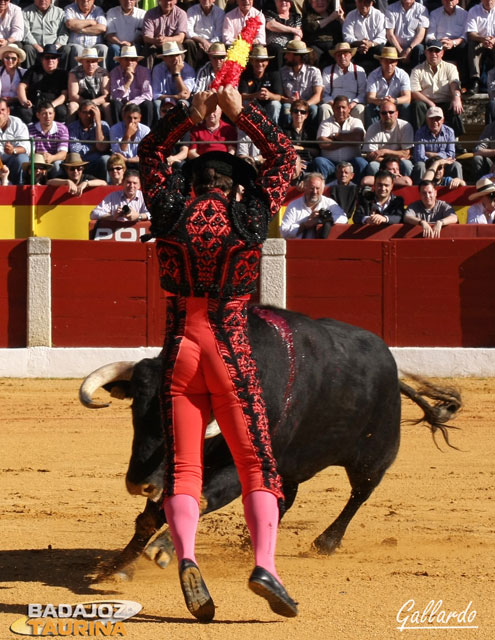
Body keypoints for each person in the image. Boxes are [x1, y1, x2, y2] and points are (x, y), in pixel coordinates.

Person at [137, 84, 298, 622]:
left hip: (180, 347)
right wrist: (242, 113)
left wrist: (190, 115)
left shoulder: (168, 210)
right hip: (231, 350)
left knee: (184, 469)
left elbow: (150, 152)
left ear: (193, 182)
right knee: (258, 467)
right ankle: (265, 564)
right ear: (236, 185)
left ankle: (187, 556)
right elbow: (285, 157)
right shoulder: (250, 215)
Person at [410, 39, 464, 135]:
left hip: (445, 102)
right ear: (426, 52)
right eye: (430, 51)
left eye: (437, 51)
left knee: (455, 105)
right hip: (426, 103)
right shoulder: (417, 70)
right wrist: (431, 103)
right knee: (417, 105)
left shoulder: (450, 67)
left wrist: (456, 97)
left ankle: (455, 142)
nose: (433, 54)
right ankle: (419, 137)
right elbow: (414, 92)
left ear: (442, 53)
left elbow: (454, 83)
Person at [314, 94, 367, 183]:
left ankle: (360, 191)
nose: (340, 110)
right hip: (331, 164)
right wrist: (348, 141)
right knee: (319, 161)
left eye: (343, 107)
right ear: (333, 109)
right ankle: (322, 191)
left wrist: (336, 136)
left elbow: (358, 138)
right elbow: (322, 143)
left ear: (349, 108)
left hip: (351, 164)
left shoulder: (356, 121)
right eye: (337, 108)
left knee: (361, 162)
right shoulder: (326, 123)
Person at [281, 171, 348, 237]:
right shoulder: (293, 206)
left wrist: (320, 220)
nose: (314, 192)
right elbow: (283, 231)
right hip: (299, 246)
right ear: (305, 187)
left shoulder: (329, 203)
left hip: (322, 246)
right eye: (312, 188)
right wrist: (305, 225)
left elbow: (343, 219)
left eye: (317, 188)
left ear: (323, 189)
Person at [17, 44, 69, 124]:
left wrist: (51, 105)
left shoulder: (63, 74)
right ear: (42, 59)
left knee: (61, 111)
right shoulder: (33, 70)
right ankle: (30, 134)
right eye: (47, 57)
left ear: (57, 60)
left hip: (53, 104)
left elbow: (64, 94)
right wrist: (24, 101)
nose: (50, 60)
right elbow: (22, 86)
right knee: (24, 111)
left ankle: (59, 133)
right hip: (34, 104)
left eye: (53, 57)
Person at [362, 99, 414, 177]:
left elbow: (406, 153)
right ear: (380, 114)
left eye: (391, 112)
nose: (387, 115)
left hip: (398, 161)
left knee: (407, 164)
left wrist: (385, 151)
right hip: (381, 161)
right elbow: (371, 155)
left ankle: (406, 186)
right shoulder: (372, 128)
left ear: (396, 114)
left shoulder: (405, 126)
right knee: (373, 166)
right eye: (384, 113)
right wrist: (389, 164)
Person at [412, 106, 463, 184]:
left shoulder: (449, 132)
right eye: (431, 119)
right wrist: (435, 162)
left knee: (456, 165)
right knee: (420, 165)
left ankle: (459, 190)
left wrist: (432, 155)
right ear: (427, 120)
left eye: (437, 119)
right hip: (427, 164)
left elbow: (451, 154)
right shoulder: (420, 133)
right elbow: (419, 156)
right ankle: (420, 191)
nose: (434, 122)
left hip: (444, 164)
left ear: (443, 120)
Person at [280, 39, 323, 128]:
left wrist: (305, 105)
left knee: (314, 110)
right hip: (290, 103)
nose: (285, 57)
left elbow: (318, 95)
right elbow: (279, 95)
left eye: (288, 54)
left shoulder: (314, 71)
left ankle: (310, 139)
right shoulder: (283, 71)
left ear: (297, 56)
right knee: (286, 108)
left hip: (308, 104)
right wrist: (288, 100)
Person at [320, 42, 367, 123]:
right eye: (339, 55)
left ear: (351, 55)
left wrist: (352, 104)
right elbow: (324, 93)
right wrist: (334, 105)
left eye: (345, 54)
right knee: (324, 108)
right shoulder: (328, 71)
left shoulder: (359, 71)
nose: (342, 57)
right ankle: (325, 133)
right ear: (335, 57)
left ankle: (358, 134)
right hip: (333, 105)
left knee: (360, 109)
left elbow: (363, 93)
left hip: (352, 105)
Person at [426, 0, 468, 89]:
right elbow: (430, 35)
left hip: (456, 44)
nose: (449, 1)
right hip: (439, 43)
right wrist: (438, 42)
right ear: (442, 1)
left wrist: (453, 42)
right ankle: (431, 83)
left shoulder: (464, 14)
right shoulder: (434, 13)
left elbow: (465, 35)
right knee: (430, 49)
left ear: (457, 1)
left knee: (464, 47)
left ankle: (463, 84)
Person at [365, 46, 411, 127]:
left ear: (396, 62)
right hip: (379, 105)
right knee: (369, 107)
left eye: (392, 61)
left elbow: (407, 98)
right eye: (386, 61)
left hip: (396, 106)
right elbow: (370, 98)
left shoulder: (403, 75)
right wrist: (381, 101)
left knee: (406, 106)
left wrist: (394, 101)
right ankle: (374, 132)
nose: (389, 65)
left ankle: (404, 130)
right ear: (381, 61)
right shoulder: (373, 75)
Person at [109, 44, 153, 127]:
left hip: (138, 103)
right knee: (115, 103)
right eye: (126, 59)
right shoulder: (114, 72)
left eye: (133, 60)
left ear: (137, 61)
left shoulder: (144, 71)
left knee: (148, 104)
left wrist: (132, 103)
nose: (130, 62)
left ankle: (146, 132)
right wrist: (129, 80)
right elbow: (115, 96)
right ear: (120, 60)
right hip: (122, 104)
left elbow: (148, 94)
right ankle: (118, 130)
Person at [239, 45, 282, 124]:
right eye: (257, 61)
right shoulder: (245, 74)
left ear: (267, 62)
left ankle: (273, 129)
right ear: (252, 61)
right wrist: (256, 95)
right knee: (245, 103)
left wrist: (269, 95)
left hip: (267, 105)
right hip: (252, 105)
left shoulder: (274, 74)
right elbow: (242, 95)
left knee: (275, 104)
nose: (260, 64)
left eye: (263, 61)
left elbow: (279, 97)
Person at [22, 0, 71, 70]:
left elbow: (64, 33)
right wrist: (37, 47)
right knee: (28, 48)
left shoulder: (60, 12)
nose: (42, 0)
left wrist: (54, 47)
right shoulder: (25, 12)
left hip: (54, 47)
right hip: (35, 46)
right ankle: (30, 75)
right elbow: (26, 33)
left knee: (66, 49)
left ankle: (61, 76)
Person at [68, 99, 110, 180]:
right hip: (79, 163)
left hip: (97, 162)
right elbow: (75, 150)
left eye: (91, 112)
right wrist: (94, 147)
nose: (88, 116)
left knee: (106, 159)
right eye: (85, 112)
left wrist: (98, 122)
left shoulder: (103, 125)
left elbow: (102, 147)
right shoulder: (72, 127)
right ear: (79, 113)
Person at [151, 42, 195, 116]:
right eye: (171, 56)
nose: (175, 58)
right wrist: (175, 97)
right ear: (164, 58)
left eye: (177, 55)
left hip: (181, 100)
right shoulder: (158, 69)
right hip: (164, 101)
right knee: (157, 103)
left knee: (182, 103)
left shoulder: (188, 69)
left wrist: (177, 73)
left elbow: (186, 94)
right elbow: (155, 95)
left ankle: (182, 127)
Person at [342, 0, 386, 74]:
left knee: (381, 49)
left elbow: (382, 37)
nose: (363, 5)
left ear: (372, 3)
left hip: (373, 48)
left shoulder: (379, 15)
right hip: (357, 47)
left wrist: (370, 44)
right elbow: (347, 36)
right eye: (360, 2)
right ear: (356, 2)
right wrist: (360, 43)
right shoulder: (350, 15)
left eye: (366, 2)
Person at [27, 99, 69, 176]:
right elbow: (30, 152)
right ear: (38, 115)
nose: (48, 116)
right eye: (44, 113)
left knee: (57, 165)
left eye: (50, 113)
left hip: (54, 159)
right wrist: (42, 155)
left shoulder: (62, 129)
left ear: (54, 114)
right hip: (37, 159)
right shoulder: (30, 129)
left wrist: (52, 158)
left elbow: (63, 154)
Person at [67, 47, 110, 122]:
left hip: (97, 102)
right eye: (87, 61)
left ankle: (110, 130)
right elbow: (73, 95)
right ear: (82, 62)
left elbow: (106, 95)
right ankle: (70, 131)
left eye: (93, 61)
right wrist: (86, 104)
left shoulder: (104, 73)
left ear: (97, 62)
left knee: (107, 106)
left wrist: (92, 103)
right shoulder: (74, 72)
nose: (90, 64)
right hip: (80, 101)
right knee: (72, 105)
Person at [142, 0, 188, 69]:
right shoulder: (150, 13)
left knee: (179, 47)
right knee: (148, 48)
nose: (168, 3)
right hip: (156, 44)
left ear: (175, 1)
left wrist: (166, 39)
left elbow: (181, 38)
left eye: (170, 0)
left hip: (173, 44)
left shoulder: (181, 14)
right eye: (164, 0)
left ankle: (179, 73)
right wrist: (155, 40)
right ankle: (147, 75)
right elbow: (146, 37)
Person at [385, 0, 429, 70]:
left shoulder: (422, 9)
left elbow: (421, 33)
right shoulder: (391, 8)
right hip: (396, 46)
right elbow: (390, 34)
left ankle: (417, 75)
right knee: (388, 49)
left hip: (413, 47)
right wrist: (400, 50)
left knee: (420, 48)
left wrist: (409, 49)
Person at [64, 0, 108, 70]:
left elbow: (102, 28)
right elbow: (70, 24)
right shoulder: (70, 8)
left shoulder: (98, 10)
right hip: (76, 44)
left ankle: (102, 75)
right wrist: (91, 22)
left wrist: (81, 30)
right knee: (78, 49)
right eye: (82, 0)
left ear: (93, 1)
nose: (85, 2)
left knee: (103, 48)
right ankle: (76, 76)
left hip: (94, 45)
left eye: (88, 0)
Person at [301, 0, 344, 68]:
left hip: (333, 46)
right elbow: (312, 26)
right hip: (315, 46)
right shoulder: (308, 16)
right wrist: (331, 18)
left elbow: (344, 30)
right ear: (311, 2)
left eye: (323, 0)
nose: (320, 2)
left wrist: (341, 18)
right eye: (316, 0)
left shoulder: (334, 15)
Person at [465, 0, 495, 95]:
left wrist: (493, 40)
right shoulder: (474, 10)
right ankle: (475, 80)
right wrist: (482, 39)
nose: (489, 2)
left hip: (494, 41)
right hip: (480, 40)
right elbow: (471, 33)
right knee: (472, 43)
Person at [105, 0, 145, 70]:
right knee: (114, 48)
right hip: (117, 44)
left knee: (141, 49)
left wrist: (131, 43)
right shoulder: (112, 12)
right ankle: (115, 75)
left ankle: (138, 75)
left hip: (134, 44)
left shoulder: (142, 14)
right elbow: (109, 35)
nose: (128, 1)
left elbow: (143, 35)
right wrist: (120, 43)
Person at [185, 0, 225, 69]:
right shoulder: (191, 10)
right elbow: (188, 31)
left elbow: (219, 34)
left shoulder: (220, 12)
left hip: (213, 43)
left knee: (219, 47)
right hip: (197, 42)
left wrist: (209, 44)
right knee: (188, 43)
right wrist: (202, 41)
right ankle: (190, 72)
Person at [264, 0, 303, 69]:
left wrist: (292, 47)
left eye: (287, 0)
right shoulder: (269, 13)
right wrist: (292, 30)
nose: (283, 2)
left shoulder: (296, 17)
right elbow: (271, 25)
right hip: (274, 46)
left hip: (290, 45)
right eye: (280, 0)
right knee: (277, 49)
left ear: (290, 3)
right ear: (275, 2)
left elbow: (298, 33)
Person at [110, 102, 150, 167]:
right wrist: (127, 135)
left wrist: (127, 160)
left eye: (135, 118)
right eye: (129, 117)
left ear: (140, 118)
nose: (132, 121)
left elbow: (145, 156)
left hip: (139, 163)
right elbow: (117, 155)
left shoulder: (146, 130)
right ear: (124, 117)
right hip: (122, 164)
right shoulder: (115, 129)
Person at [0, 97, 29, 185]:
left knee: (22, 158)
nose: (0, 113)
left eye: (2, 110)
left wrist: (14, 150)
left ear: (8, 111)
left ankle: (19, 187)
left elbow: (25, 146)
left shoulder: (17, 123)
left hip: (13, 160)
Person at [0, 44, 26, 121]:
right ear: (3, 59)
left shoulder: (23, 72)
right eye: (7, 58)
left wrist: (15, 99)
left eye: (13, 58)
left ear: (18, 60)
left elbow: (27, 92)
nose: (10, 61)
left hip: (17, 102)